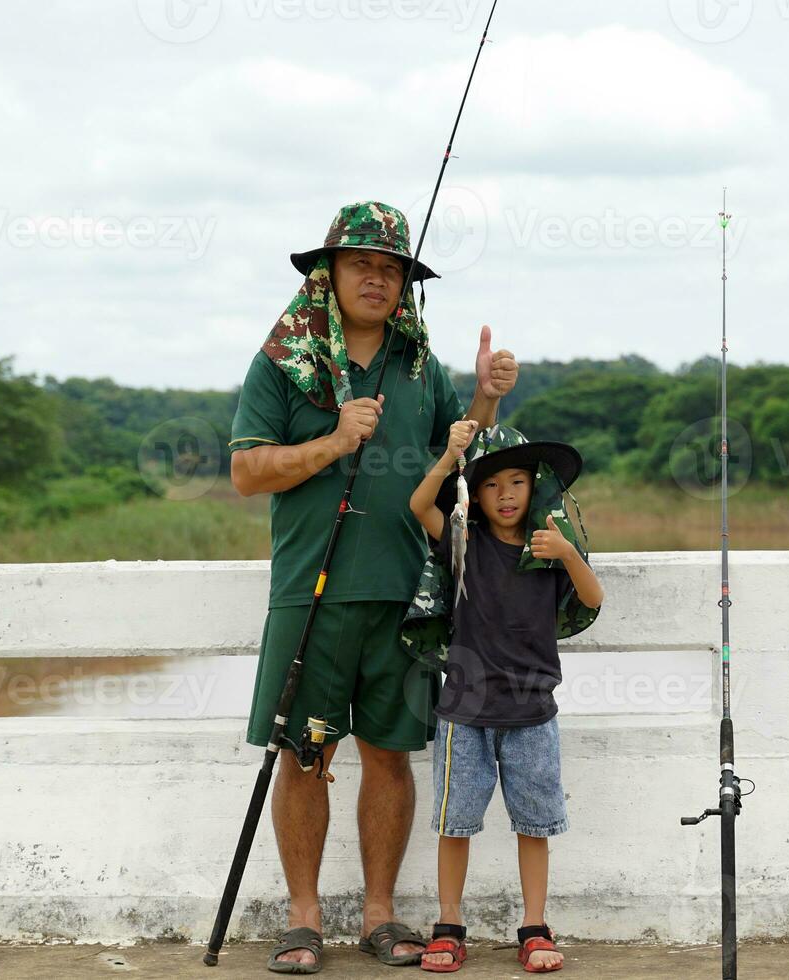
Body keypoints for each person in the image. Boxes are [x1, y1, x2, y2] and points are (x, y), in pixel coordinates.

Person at [229, 201, 519, 974]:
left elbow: (459, 461)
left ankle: (382, 917)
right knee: (305, 754)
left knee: (390, 755)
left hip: (408, 594)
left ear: (404, 286)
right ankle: (302, 920)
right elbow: (247, 471)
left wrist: (487, 398)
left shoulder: (421, 368)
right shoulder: (284, 363)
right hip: (309, 592)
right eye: (361, 264)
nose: (377, 278)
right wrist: (334, 439)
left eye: (391, 268)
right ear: (327, 275)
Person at [404, 421, 604, 973]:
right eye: (492, 485)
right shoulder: (464, 539)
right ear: (475, 493)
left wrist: (566, 552)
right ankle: (448, 927)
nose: (506, 494)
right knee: (455, 824)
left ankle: (535, 928)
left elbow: (593, 597)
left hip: (533, 712)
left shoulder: (548, 548)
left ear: (536, 488)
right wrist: (450, 456)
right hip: (464, 712)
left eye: (518, 482)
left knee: (534, 825)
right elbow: (421, 504)